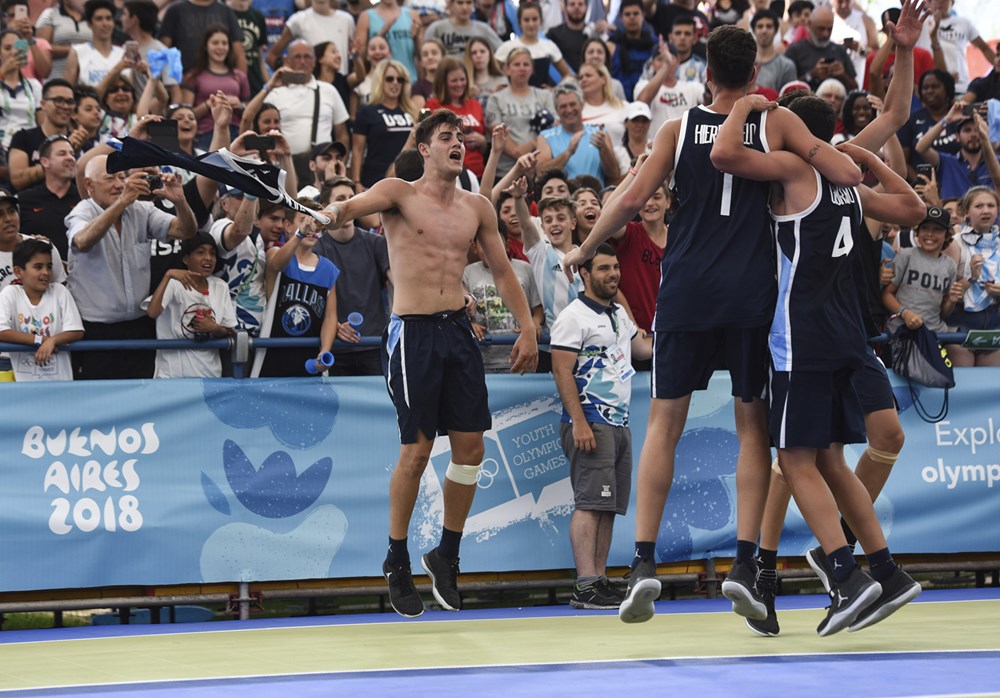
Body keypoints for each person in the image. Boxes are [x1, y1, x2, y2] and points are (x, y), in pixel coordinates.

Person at [562, 24, 866, 627]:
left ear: (705, 72)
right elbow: (835, 168)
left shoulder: (676, 131)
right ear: (756, 75)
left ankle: (643, 563)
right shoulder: (772, 122)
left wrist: (583, 247)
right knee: (752, 428)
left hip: (687, 293)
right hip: (752, 296)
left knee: (664, 425)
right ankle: (745, 563)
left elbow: (627, 200)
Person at [713, 91, 925, 635]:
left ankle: (845, 574)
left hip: (798, 335)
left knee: (795, 459)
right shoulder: (848, 186)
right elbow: (915, 210)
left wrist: (745, 108)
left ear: (789, 132)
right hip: (846, 334)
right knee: (831, 459)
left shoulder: (792, 171)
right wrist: (867, 160)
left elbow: (727, 154)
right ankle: (885, 568)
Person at [320, 109, 538, 618]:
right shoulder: (398, 192)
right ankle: (396, 558)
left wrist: (527, 326)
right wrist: (330, 214)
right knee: (416, 453)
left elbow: (503, 271)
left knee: (471, 451)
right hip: (411, 334)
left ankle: (446, 554)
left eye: (460, 136)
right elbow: (352, 207)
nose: (457, 143)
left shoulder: (477, 206)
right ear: (425, 149)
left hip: (458, 333)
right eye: (446, 137)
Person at [550, 242, 652, 609]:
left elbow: (643, 350)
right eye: (604, 268)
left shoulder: (618, 314)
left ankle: (599, 579)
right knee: (590, 504)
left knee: (606, 506)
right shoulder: (572, 316)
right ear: (584, 273)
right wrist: (578, 422)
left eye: (615, 268)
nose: (613, 274)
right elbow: (561, 370)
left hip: (619, 423)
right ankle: (585, 583)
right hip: (590, 422)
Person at [66, 153, 198, 380]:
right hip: (97, 332)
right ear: (89, 185)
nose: (119, 185)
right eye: (110, 179)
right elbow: (82, 240)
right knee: (101, 404)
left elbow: (186, 231)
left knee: (142, 399)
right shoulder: (83, 211)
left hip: (139, 327)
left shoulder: (140, 210)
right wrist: (122, 202)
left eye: (121, 177)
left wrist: (180, 202)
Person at [251, 198, 342, 377]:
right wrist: (299, 234)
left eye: (315, 222)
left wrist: (325, 350)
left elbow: (330, 317)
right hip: (272, 357)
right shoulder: (275, 253)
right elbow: (277, 263)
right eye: (304, 220)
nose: (311, 227)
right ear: (288, 225)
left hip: (309, 360)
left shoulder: (328, 269)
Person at [314, 175, 392, 376]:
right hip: (336, 349)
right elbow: (311, 300)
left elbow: (400, 285)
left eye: (352, 198)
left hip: (375, 346)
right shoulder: (315, 248)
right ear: (325, 206)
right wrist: (336, 327)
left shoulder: (377, 243)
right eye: (341, 198)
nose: (348, 204)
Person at [144, 231, 237, 378]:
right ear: (186, 259)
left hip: (210, 376)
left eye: (212, 253)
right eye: (200, 252)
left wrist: (214, 328)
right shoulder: (173, 284)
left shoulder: (221, 286)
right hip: (171, 376)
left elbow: (228, 330)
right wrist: (168, 275)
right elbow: (152, 312)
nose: (208, 258)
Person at [883, 205, 964, 363]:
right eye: (925, 228)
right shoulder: (906, 256)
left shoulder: (949, 265)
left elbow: (944, 312)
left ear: (947, 236)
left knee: (960, 352)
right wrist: (906, 313)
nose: (930, 234)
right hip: (903, 331)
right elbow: (886, 294)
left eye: (937, 230)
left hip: (935, 332)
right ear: (917, 232)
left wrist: (952, 301)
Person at [263, 41, 350, 183]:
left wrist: (340, 165)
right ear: (287, 61)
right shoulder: (275, 94)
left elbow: (342, 133)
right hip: (286, 166)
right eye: (297, 57)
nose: (302, 62)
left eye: (307, 57)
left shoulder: (329, 90)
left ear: (315, 61)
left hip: (323, 167)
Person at [463, 220, 543, 372]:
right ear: (474, 247)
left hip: (520, 356)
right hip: (483, 358)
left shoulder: (525, 269)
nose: (489, 249)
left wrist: (535, 322)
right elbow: (464, 307)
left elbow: (537, 308)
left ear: (506, 245)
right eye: (483, 244)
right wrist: (470, 324)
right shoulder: (468, 272)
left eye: (496, 243)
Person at [0, 237, 83, 381]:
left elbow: (76, 331)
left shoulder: (60, 291)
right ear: (19, 272)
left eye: (49, 266)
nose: (45, 272)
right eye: (38, 267)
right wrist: (41, 339)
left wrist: (52, 341)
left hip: (61, 386)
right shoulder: (10, 293)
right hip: (24, 387)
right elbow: (1, 331)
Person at [943, 186, 1000, 366]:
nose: (985, 210)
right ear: (966, 212)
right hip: (961, 321)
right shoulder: (955, 243)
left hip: (994, 321)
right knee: (964, 387)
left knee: (989, 388)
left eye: (991, 205)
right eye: (979, 206)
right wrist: (972, 278)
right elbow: (946, 291)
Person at [485, 48, 555, 179]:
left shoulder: (545, 96)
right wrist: (519, 152)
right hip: (505, 173)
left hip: (540, 171)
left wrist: (531, 146)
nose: (522, 68)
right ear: (507, 69)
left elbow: (555, 129)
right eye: (516, 64)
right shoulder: (496, 99)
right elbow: (497, 135)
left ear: (532, 69)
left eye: (526, 64)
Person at [181, 24, 251, 149]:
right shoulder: (193, 76)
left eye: (224, 43)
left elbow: (250, 112)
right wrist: (210, 104)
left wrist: (241, 105)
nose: (220, 47)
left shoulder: (240, 76)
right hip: (205, 136)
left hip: (235, 133)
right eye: (215, 43)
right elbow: (186, 113)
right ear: (205, 46)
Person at [536, 82, 620, 187]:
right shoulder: (545, 137)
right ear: (556, 110)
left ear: (582, 105)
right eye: (563, 106)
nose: (569, 110)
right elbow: (540, 173)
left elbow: (614, 174)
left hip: (593, 200)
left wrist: (604, 150)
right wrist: (568, 153)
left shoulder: (599, 133)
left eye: (572, 104)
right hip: (563, 201)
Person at [7, 78, 82, 192]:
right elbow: (18, 180)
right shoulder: (23, 138)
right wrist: (56, 160)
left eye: (70, 102)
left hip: (71, 205)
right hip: (30, 204)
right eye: (59, 100)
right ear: (43, 104)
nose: (66, 106)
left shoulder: (80, 141)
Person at [352, 59, 417, 190]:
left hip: (410, 180)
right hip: (375, 180)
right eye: (389, 79)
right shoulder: (367, 111)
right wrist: (356, 181)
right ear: (380, 81)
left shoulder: (412, 111)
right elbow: (357, 150)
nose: (395, 83)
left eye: (400, 80)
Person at [16, 134, 80, 260]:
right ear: (45, 162)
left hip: (82, 275)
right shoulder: (24, 200)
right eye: (62, 153)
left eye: (72, 154)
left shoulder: (84, 198)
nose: (70, 158)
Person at [914, 110, 1000, 202]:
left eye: (978, 130)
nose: (973, 135)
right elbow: (921, 148)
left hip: (988, 214)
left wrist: (985, 139)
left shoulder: (996, 163)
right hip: (953, 215)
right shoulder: (947, 162)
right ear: (957, 137)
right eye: (967, 130)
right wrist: (946, 120)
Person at [426, 57, 487, 177]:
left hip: (478, 172)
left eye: (462, 79)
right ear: (443, 82)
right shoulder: (433, 105)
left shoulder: (475, 104)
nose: (459, 84)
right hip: (447, 174)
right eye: (454, 81)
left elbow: (485, 148)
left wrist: (482, 141)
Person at [267, 0, 354, 80]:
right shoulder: (298, 20)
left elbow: (355, 55)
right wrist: (293, 78)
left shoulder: (347, 20)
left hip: (341, 87)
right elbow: (271, 56)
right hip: (309, 87)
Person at [158, 0, 246, 76]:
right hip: (183, 83)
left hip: (220, 84)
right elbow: (164, 50)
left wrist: (240, 84)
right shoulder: (175, 11)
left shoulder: (226, 11)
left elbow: (239, 54)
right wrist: (173, 86)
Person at [495, 1, 571, 88]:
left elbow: (567, 74)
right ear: (519, 22)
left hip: (542, 99)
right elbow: (491, 71)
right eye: (526, 20)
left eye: (534, 19)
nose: (531, 24)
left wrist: (555, 90)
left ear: (541, 21)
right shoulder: (507, 47)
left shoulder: (549, 46)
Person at [634, 42, 704, 135]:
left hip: (685, 146)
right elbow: (641, 103)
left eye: (669, 58)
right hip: (654, 146)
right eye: (660, 59)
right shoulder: (643, 85)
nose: (664, 62)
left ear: (678, 61)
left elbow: (711, 102)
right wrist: (666, 66)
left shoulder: (693, 87)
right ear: (653, 63)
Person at [120, 0, 182, 103]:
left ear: (134, 19)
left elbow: (176, 92)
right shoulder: (123, 50)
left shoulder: (167, 53)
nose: (121, 18)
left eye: (125, 14)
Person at [783, 5, 856, 92]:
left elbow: (855, 87)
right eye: (821, 29)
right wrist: (811, 75)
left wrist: (842, 75)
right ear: (810, 24)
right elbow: (785, 89)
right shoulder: (794, 50)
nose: (825, 34)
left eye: (829, 29)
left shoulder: (840, 50)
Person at [353, 0, 421, 85]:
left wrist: (417, 38)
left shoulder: (412, 15)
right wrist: (382, 33)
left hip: (408, 81)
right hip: (378, 83)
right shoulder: (366, 17)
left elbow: (421, 54)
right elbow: (359, 56)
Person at [64, 0, 124, 88]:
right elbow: (67, 88)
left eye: (109, 18)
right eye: (99, 19)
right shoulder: (77, 52)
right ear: (89, 24)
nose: (105, 24)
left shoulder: (123, 53)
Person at [0, 31, 43, 151]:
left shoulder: (33, 85)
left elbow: (42, 123)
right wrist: (3, 71)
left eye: (17, 47)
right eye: (7, 48)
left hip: (28, 145)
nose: (13, 52)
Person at [608, 0, 657, 100]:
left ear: (643, 15)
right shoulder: (611, 46)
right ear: (621, 18)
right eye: (627, 14)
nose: (632, 17)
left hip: (649, 101)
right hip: (619, 103)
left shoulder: (655, 47)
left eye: (636, 13)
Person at [34, 0, 92, 81]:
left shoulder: (92, 16)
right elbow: (41, 49)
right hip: (57, 78)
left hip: (88, 78)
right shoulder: (50, 15)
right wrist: (73, 49)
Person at [425, 0, 501, 58]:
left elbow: (502, 51)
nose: (465, 8)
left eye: (468, 3)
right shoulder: (437, 28)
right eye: (460, 3)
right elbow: (423, 54)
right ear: (451, 5)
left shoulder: (484, 29)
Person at [226, 0, 268, 94]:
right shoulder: (222, 13)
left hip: (255, 81)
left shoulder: (258, 17)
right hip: (230, 81)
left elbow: (260, 59)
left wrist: (269, 84)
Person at [752, 9, 796, 92]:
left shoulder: (787, 66)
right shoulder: (746, 64)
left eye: (769, 26)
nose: (764, 30)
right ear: (754, 30)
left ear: (776, 31)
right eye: (760, 26)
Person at [547, 0, 590, 74]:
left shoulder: (594, 35)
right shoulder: (553, 34)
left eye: (580, 4)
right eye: (572, 4)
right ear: (565, 8)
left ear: (586, 7)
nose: (576, 7)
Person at [464, 36, 506, 106]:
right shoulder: (463, 84)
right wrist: (467, 96)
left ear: (490, 54)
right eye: (474, 53)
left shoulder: (503, 81)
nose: (478, 55)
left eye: (482, 51)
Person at [669, 15, 706, 84]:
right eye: (678, 33)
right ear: (670, 38)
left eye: (687, 34)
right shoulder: (655, 64)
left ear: (695, 39)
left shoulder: (702, 68)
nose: (682, 37)